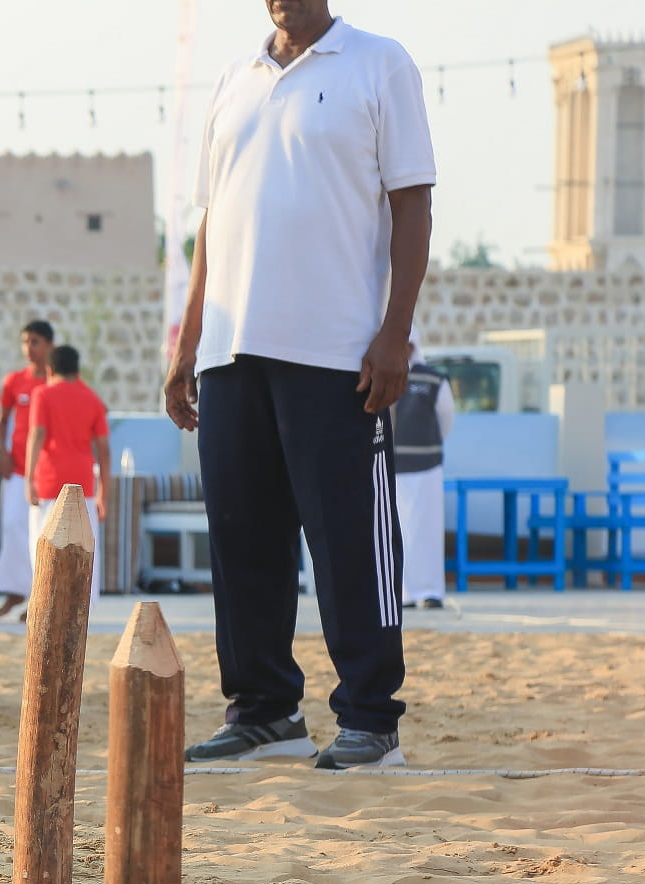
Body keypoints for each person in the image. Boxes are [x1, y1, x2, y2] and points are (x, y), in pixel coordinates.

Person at [164, 2, 434, 769]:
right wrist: (188, 345)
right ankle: (263, 712)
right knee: (244, 541)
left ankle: (370, 719)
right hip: (229, 350)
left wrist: (395, 332)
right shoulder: (234, 78)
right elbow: (211, 225)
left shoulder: (379, 63)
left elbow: (412, 204)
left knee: (350, 539)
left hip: (337, 349)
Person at [25, 344, 109, 606]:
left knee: (42, 550)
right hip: (84, 486)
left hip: (50, 484)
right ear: (78, 370)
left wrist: (29, 479)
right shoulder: (93, 399)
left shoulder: (43, 394)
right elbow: (104, 450)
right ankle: (83, 608)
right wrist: (104, 492)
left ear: (49, 369)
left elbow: (37, 435)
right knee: (84, 551)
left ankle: (45, 605)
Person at [0, 320, 55, 616]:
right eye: (26, 341)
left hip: (48, 471)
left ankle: (38, 599)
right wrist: (2, 454)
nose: (30, 348)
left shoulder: (56, 382)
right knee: (14, 526)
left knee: (43, 533)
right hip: (16, 469)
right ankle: (16, 592)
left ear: (50, 345)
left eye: (36, 341)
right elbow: (2, 420)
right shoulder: (14, 380)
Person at [392, 345, 454, 609]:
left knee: (426, 530)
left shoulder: (433, 379)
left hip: (427, 467)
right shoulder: (385, 375)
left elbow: (446, 419)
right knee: (399, 531)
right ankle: (403, 594)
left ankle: (429, 591)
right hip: (393, 467)